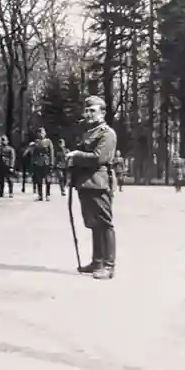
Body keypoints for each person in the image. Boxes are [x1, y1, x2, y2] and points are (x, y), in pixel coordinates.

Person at [66, 96, 119, 280]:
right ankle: (97, 262)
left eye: (92, 111)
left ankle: (109, 266)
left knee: (105, 224)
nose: (88, 114)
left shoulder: (107, 133)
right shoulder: (87, 132)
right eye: (86, 110)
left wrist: (77, 155)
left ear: (103, 113)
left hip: (99, 183)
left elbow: (99, 158)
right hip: (86, 183)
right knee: (93, 224)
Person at [29, 127, 55, 201]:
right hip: (38, 163)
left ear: (45, 133)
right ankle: (40, 195)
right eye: (39, 132)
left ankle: (47, 195)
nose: (41, 134)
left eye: (42, 132)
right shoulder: (36, 142)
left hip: (46, 162)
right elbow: (33, 153)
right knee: (39, 180)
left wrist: (51, 163)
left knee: (48, 180)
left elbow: (51, 153)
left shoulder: (48, 141)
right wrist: (33, 162)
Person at [0, 135, 15, 199]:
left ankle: (11, 192)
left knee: (10, 180)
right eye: (2, 140)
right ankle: (1, 192)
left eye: (4, 140)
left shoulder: (10, 149)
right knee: (1, 180)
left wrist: (11, 166)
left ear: (7, 141)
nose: (3, 141)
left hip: (8, 166)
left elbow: (12, 158)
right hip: (1, 166)